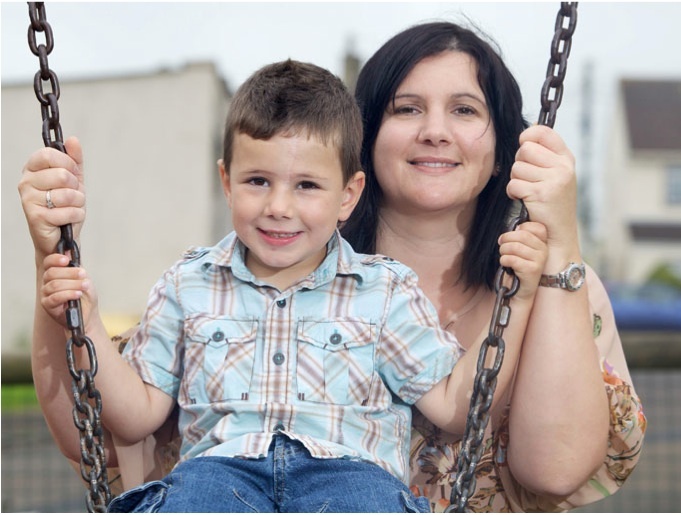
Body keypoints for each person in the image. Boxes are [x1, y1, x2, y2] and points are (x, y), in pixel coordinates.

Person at [19, 21, 646, 513]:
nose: (434, 131)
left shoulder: (518, 286)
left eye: (464, 110)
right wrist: (60, 263)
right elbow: (106, 431)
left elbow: (549, 465)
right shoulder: (213, 282)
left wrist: (545, 266)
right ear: (364, 142)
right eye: (406, 109)